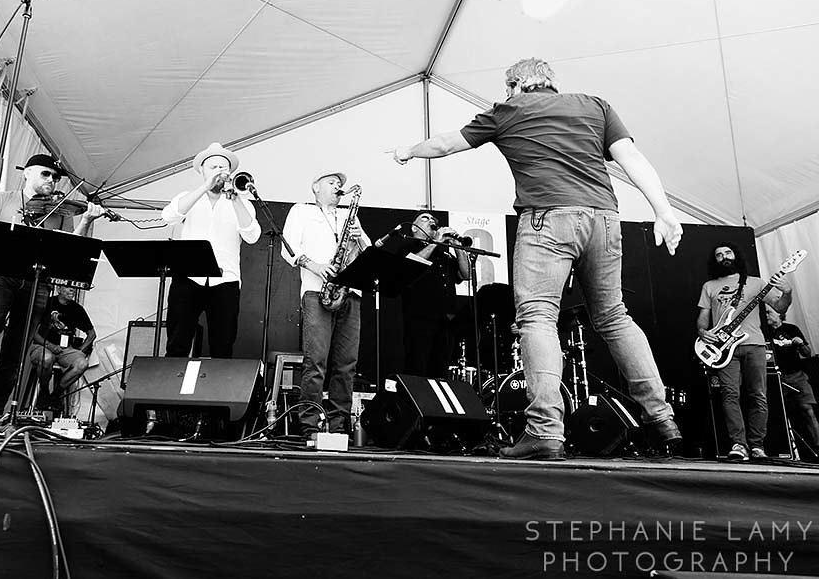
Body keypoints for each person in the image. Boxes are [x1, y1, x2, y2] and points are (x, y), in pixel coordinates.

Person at [390, 57, 683, 460]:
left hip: (547, 219)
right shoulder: (596, 105)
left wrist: (407, 150)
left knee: (539, 318)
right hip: (604, 219)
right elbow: (633, 159)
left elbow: (444, 143)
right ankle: (661, 419)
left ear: (515, 85)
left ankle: (545, 430)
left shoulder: (507, 110)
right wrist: (663, 211)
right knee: (614, 317)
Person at [0, 153, 108, 414]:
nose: (52, 180)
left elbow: (71, 249)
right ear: (27, 173)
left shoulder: (60, 211)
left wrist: (86, 220)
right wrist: (13, 238)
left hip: (36, 282)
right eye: (46, 173)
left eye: (55, 177)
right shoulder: (5, 197)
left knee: (16, 349)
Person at [282, 171, 370, 438]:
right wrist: (316, 266)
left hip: (350, 292)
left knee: (347, 364)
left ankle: (339, 424)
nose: (338, 187)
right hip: (317, 290)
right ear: (315, 187)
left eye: (340, 184)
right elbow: (288, 248)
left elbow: (367, 252)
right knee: (316, 361)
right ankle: (309, 424)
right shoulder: (301, 211)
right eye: (332, 183)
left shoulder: (349, 215)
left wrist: (359, 238)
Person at [161, 142, 261, 358]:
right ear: (202, 171)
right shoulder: (188, 196)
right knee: (177, 344)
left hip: (225, 282)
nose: (219, 171)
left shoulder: (241, 203)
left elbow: (252, 236)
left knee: (222, 347)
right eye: (213, 167)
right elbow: (169, 216)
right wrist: (205, 187)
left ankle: (215, 391)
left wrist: (235, 200)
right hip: (188, 278)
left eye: (223, 168)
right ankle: (170, 390)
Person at [696, 241, 792, 461]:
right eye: (719, 255)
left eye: (728, 252)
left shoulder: (756, 283)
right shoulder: (709, 286)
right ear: (715, 260)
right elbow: (703, 318)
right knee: (730, 395)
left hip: (754, 344)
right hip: (722, 349)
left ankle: (757, 446)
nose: (724, 257)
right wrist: (703, 332)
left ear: (736, 255)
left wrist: (788, 291)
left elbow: (779, 307)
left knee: (758, 394)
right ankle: (739, 445)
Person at [396, 211, 470, 378]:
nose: (431, 220)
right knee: (417, 366)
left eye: (433, 219)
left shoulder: (443, 253)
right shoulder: (408, 247)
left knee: (440, 369)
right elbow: (410, 266)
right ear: (415, 228)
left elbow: (465, 275)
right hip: (419, 317)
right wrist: (436, 242)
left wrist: (457, 247)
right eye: (425, 218)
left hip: (446, 319)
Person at [28, 286, 96, 412]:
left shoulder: (77, 309)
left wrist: (80, 351)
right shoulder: (47, 303)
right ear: (59, 289)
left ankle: (56, 395)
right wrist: (49, 345)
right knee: (47, 358)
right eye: (68, 288)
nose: (73, 290)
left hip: (65, 349)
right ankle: (44, 392)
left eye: (74, 288)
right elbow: (32, 332)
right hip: (43, 345)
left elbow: (92, 334)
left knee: (82, 363)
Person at [764, 303, 819, 449]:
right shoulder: (764, 331)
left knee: (808, 410)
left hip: (796, 375)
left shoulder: (791, 329)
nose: (767, 315)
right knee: (778, 412)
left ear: (779, 314)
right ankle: (784, 448)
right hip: (775, 377)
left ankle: (817, 445)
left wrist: (801, 344)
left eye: (769, 312)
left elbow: (807, 354)